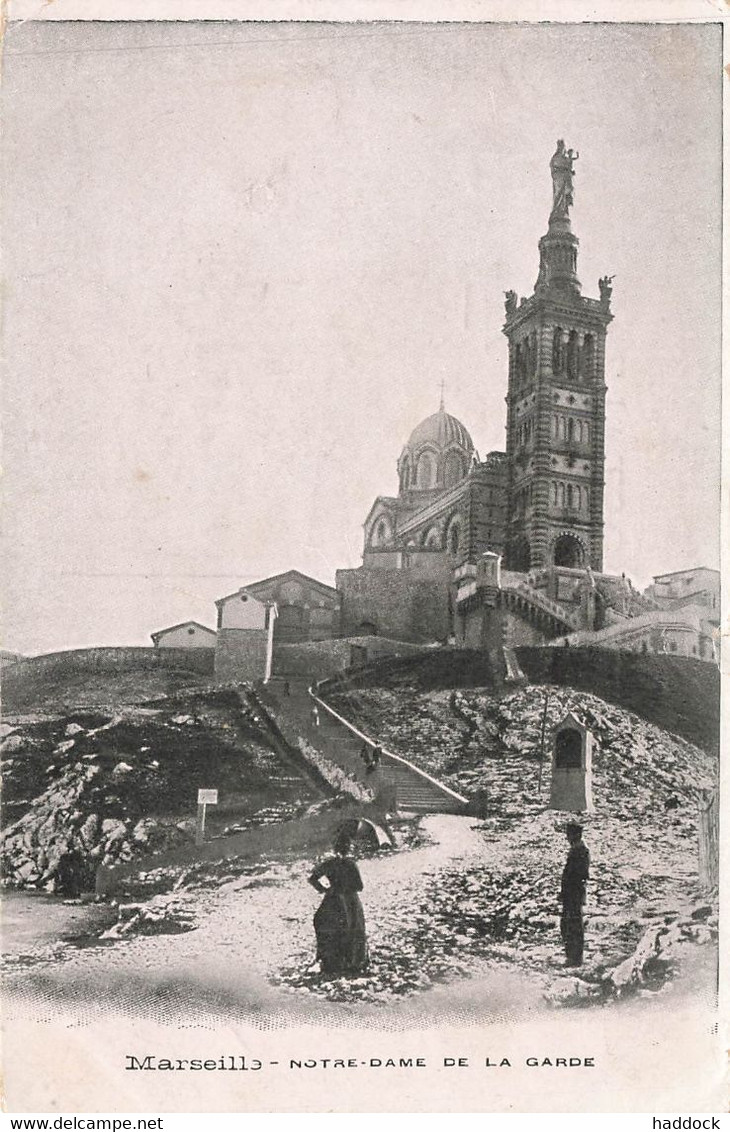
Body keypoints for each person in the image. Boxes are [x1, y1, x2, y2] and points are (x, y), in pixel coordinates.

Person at [308, 833, 368, 977]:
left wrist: (324, 889)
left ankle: (330, 960)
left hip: (333, 898)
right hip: (350, 900)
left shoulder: (329, 863)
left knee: (326, 924)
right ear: (349, 849)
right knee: (353, 927)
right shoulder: (351, 864)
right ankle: (352, 961)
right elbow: (359, 886)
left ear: (335, 848)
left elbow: (312, 879)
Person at [560, 822, 590, 967]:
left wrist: (570, 889)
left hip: (574, 893)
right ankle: (572, 956)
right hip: (571, 893)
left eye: (569, 835)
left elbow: (579, 874)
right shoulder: (577, 850)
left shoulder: (581, 851)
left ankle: (575, 957)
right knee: (567, 924)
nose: (567, 838)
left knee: (573, 925)